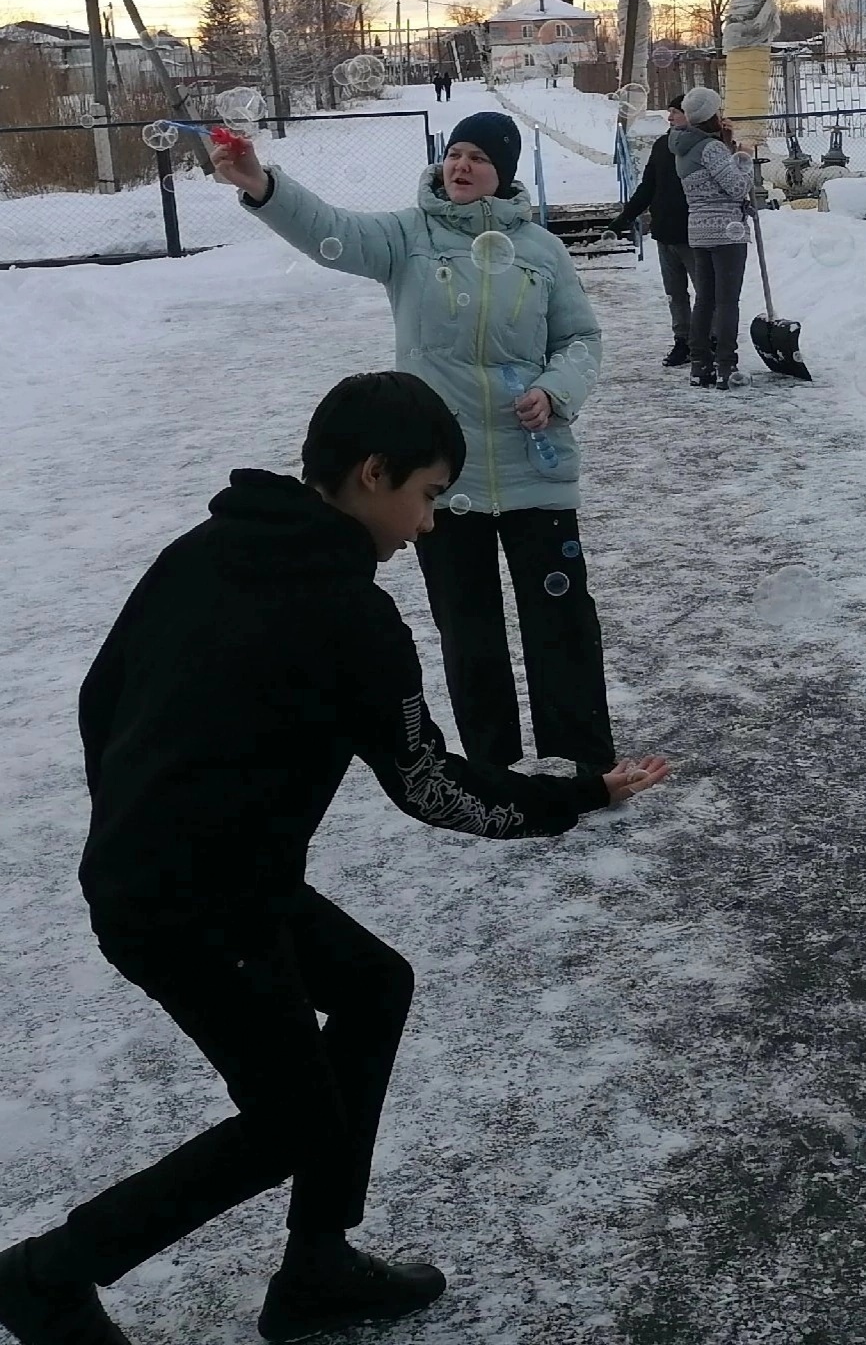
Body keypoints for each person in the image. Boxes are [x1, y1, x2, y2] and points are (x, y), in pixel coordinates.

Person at [0, 373, 669, 1345]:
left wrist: (142, 815)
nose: (429, 524)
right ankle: (48, 1277)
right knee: (287, 1122)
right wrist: (576, 795)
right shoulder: (354, 620)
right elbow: (430, 786)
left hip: (178, 873)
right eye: (429, 494)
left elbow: (101, 698)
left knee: (371, 986)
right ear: (371, 474)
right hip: (196, 905)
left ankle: (316, 1263)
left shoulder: (206, 550)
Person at [213, 111, 618, 780]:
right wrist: (262, 186)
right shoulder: (408, 236)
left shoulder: (542, 250)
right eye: (454, 153)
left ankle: (583, 760)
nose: (460, 165)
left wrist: (555, 390)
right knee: (469, 629)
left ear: (503, 173)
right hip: (440, 479)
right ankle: (495, 768)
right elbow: (331, 233)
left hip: (534, 462)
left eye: (479, 157)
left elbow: (582, 339)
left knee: (563, 620)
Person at [669, 85, 756, 390]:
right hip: (726, 232)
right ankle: (725, 365)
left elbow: (711, 179)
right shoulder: (712, 149)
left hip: (699, 231)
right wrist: (745, 159)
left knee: (704, 300)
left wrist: (727, 146)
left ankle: (699, 365)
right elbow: (737, 187)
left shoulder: (683, 145)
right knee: (728, 301)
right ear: (711, 115)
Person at [611, 98, 694, 369]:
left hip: (695, 232)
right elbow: (648, 185)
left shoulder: (705, 146)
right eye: (669, 112)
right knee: (675, 293)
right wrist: (626, 216)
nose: (669, 118)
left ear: (692, 114)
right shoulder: (661, 145)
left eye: (676, 112)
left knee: (707, 292)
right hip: (665, 231)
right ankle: (683, 340)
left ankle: (709, 340)